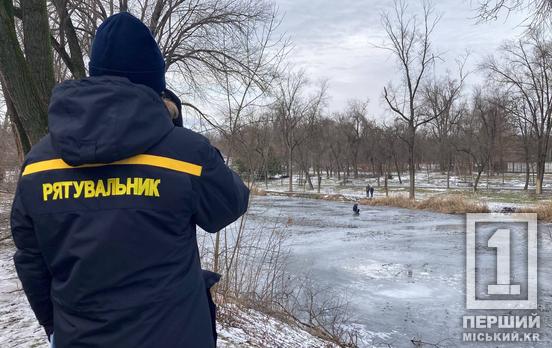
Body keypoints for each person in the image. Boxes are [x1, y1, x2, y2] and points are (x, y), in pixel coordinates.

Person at [10, 12, 249, 348]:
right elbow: (231, 204)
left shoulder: (38, 163)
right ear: (154, 82)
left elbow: (31, 259)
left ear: (94, 74)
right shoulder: (185, 153)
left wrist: (55, 328)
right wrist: (175, 133)